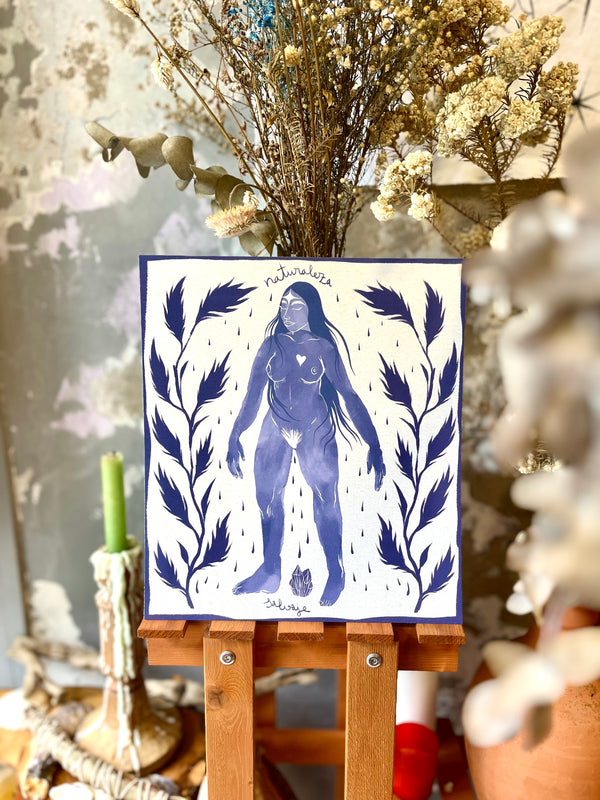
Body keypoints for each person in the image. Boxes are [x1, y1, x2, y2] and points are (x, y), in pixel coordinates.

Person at [226, 281, 385, 606]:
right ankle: (270, 571)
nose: (288, 312)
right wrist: (235, 434)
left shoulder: (324, 348)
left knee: (326, 499)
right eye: (284, 305)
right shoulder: (270, 346)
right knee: (266, 499)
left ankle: (336, 573)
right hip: (275, 426)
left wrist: (375, 444)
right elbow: (252, 395)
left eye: (296, 306)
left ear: (311, 309)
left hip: (316, 428)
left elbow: (349, 396)